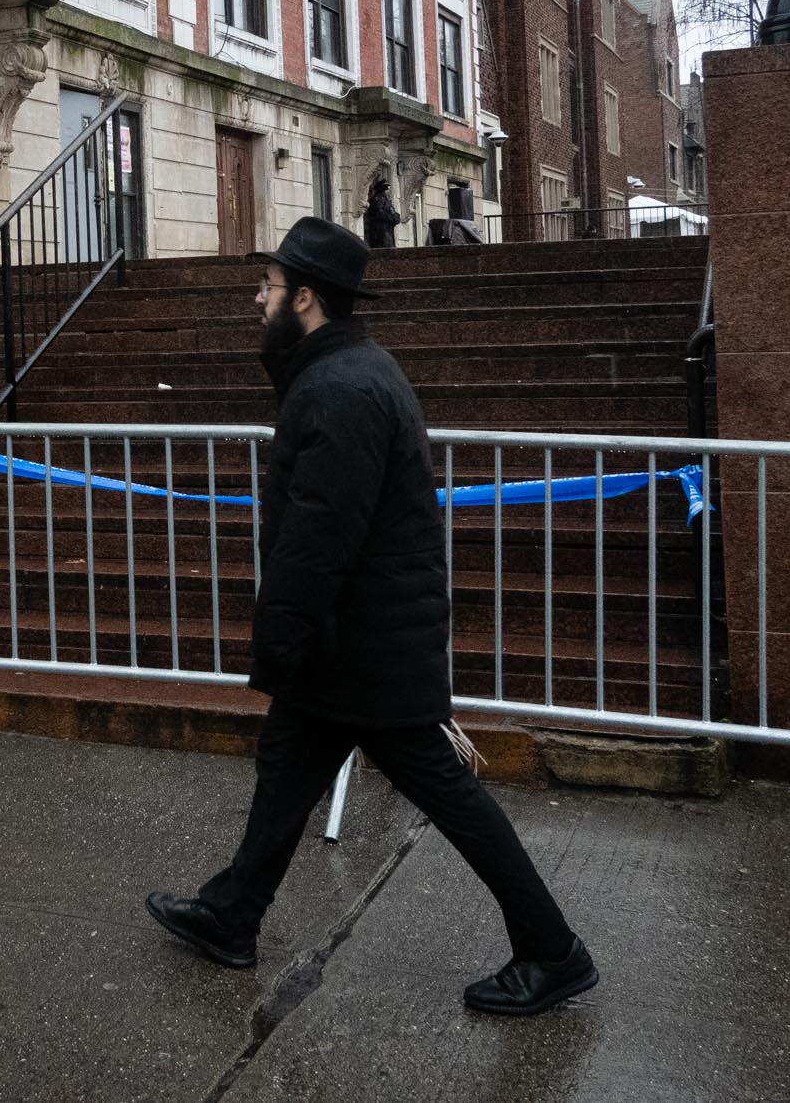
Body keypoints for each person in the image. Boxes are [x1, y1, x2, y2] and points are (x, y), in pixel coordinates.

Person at [145, 216, 597, 1017]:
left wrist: (279, 637)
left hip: (365, 646)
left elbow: (319, 537)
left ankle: (552, 949)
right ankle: (232, 914)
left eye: (271, 286)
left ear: (307, 299)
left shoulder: (343, 389)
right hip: (350, 643)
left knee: (450, 796)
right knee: (286, 772)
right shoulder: (341, 373)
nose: (258, 298)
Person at [361, 174, 401, 250]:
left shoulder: (386, 200)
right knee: (383, 249)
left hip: (388, 231)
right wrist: (392, 218)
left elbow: (393, 212)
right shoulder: (377, 199)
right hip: (380, 231)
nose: (388, 192)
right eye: (387, 190)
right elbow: (379, 213)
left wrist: (396, 217)